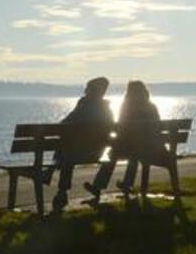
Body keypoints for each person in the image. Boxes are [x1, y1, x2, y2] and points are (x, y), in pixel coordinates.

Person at [84, 80, 163, 202]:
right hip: (151, 148)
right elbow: (157, 129)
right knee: (132, 154)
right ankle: (126, 184)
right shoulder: (152, 107)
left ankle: (98, 186)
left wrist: (114, 140)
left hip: (134, 147)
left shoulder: (127, 107)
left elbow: (121, 128)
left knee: (115, 155)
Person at [51, 76, 114, 214]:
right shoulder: (108, 110)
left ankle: (61, 191)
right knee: (68, 148)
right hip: (96, 153)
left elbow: (62, 126)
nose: (85, 91)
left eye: (87, 88)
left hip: (77, 154)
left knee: (66, 150)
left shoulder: (83, 106)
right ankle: (53, 176)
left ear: (91, 91)